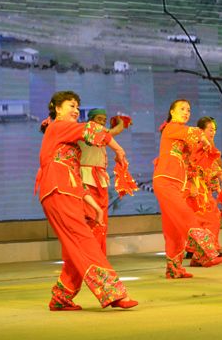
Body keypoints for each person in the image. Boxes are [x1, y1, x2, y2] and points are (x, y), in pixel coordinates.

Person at [35, 90, 138, 311]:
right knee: (84, 240)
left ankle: (62, 297)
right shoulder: (58, 126)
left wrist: (94, 206)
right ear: (57, 108)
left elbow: (74, 177)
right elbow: (91, 129)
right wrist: (118, 149)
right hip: (58, 191)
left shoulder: (65, 136)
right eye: (71, 106)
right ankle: (114, 293)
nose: (75, 110)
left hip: (67, 191)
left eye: (77, 106)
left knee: (79, 245)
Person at [153, 99, 222, 279]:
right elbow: (195, 133)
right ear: (172, 112)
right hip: (165, 181)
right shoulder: (171, 128)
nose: (186, 112)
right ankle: (207, 251)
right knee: (187, 216)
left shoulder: (183, 136)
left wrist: (206, 145)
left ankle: (174, 269)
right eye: (182, 109)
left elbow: (195, 156)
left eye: (189, 110)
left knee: (173, 228)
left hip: (178, 184)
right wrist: (203, 138)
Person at [78, 108, 127, 254]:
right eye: (99, 119)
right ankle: (89, 254)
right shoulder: (85, 131)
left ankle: (99, 255)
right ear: (90, 119)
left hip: (100, 178)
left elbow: (110, 133)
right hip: (86, 177)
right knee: (90, 217)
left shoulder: (102, 135)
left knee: (102, 219)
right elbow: (114, 131)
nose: (102, 122)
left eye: (104, 120)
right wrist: (120, 122)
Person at [185, 116, 222, 261]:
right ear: (201, 131)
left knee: (200, 218)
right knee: (211, 216)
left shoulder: (207, 146)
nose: (213, 132)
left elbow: (213, 167)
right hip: (196, 186)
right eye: (210, 130)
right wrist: (192, 184)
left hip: (202, 187)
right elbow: (189, 164)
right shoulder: (197, 145)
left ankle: (194, 250)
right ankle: (209, 249)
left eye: (214, 130)